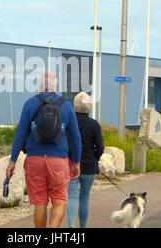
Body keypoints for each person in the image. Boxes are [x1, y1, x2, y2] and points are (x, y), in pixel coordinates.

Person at [6, 71, 82, 228]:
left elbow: (19, 135)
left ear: (40, 85)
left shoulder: (30, 104)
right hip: (59, 161)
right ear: (56, 86)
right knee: (60, 200)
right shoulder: (66, 106)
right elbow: (76, 138)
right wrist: (76, 162)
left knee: (40, 202)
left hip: (35, 160)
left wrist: (12, 161)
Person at [66, 92, 104, 228]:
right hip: (89, 167)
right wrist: (96, 159)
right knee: (85, 198)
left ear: (74, 107)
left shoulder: (69, 123)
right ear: (88, 108)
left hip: (70, 165)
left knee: (72, 196)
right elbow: (100, 147)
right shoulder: (94, 125)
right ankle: (82, 227)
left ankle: (71, 226)